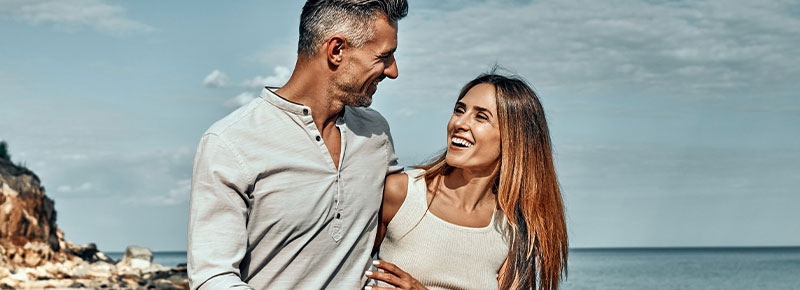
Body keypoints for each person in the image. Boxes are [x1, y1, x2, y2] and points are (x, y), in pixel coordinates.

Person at [187, 0, 408, 289]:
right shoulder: (229, 142)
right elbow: (212, 278)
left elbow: (415, 211)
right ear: (337, 50)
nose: (393, 71)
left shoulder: (375, 132)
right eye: (384, 56)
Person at [367, 72, 568, 290]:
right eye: (459, 110)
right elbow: (342, 271)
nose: (460, 123)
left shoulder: (512, 231)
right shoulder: (400, 193)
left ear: (513, 139)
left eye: (481, 117)